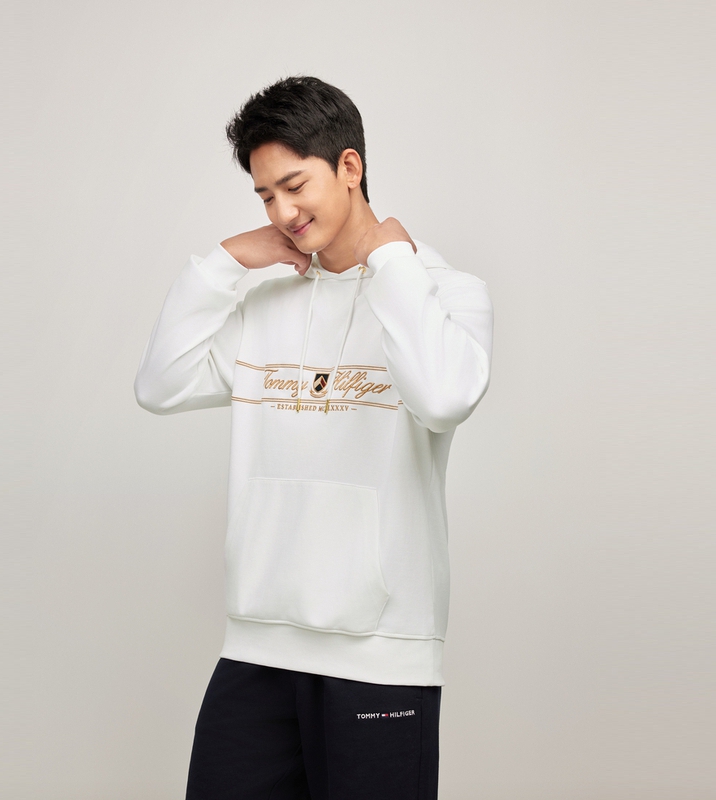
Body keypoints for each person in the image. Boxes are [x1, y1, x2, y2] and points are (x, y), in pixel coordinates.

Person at [134, 75, 494, 800]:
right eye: (265, 196)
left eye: (294, 186)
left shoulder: (443, 293)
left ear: (349, 167)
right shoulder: (265, 303)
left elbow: (444, 398)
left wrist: (392, 264)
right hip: (257, 646)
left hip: (381, 656)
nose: (282, 213)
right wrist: (225, 263)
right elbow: (160, 385)